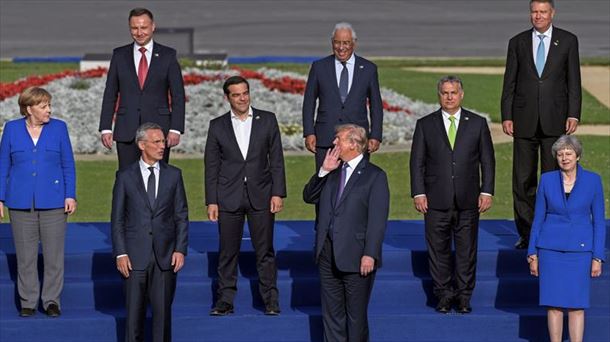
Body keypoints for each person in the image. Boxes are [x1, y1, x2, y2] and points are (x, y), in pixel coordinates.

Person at [410, 76, 495, 314]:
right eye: (445, 93)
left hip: (469, 199)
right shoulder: (425, 124)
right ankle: (444, 295)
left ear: (461, 94)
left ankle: (465, 296)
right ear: (439, 95)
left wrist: (486, 190)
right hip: (435, 200)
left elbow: (487, 161)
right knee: (438, 251)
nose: (449, 97)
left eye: (453, 93)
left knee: (467, 251)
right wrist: (418, 193)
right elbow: (417, 163)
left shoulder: (477, 123)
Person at [501, 0, 581, 249]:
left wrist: (573, 114)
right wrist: (507, 115)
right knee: (523, 180)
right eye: (534, 11)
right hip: (523, 121)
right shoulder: (517, 42)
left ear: (552, 13)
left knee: (553, 179)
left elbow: (573, 81)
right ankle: (526, 233)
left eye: (543, 12)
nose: (538, 16)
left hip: (555, 121)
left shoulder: (568, 41)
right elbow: (509, 83)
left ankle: (551, 230)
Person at [205, 76, 286, 316]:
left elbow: (277, 161)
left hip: (261, 195)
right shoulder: (217, 125)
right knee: (227, 252)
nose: (242, 98)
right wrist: (212, 200)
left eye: (245, 93)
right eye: (237, 94)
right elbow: (211, 166)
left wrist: (278, 193)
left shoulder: (268, 120)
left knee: (265, 251)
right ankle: (225, 301)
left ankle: (270, 300)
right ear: (227, 97)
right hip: (228, 197)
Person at [303, 124, 389, 341]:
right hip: (327, 254)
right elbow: (309, 197)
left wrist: (370, 253)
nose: (333, 143)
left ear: (353, 144)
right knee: (332, 317)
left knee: (356, 317)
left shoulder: (375, 176)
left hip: (357, 255)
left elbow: (377, 220)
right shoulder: (332, 171)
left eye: (338, 139)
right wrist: (323, 171)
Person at [0, 87, 77, 318]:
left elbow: (68, 164)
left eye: (49, 105)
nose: (49, 110)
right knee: (25, 256)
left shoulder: (59, 128)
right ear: (29, 108)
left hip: (53, 200)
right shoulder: (12, 129)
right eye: (44, 106)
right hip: (20, 201)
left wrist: (70, 194)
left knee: (54, 256)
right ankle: (28, 301)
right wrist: (0, 198)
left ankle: (52, 300)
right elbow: (3, 165)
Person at [111, 122, 189, 342]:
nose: (162, 146)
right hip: (134, 257)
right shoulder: (125, 176)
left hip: (165, 257)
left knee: (162, 317)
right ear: (141, 144)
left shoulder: (174, 175)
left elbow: (181, 215)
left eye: (163, 141)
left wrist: (180, 250)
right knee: (134, 317)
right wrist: (121, 253)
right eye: (157, 142)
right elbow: (117, 219)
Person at [527, 135, 605, 342]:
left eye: (568, 153)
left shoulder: (593, 180)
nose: (564, 157)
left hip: (579, 252)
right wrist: (532, 253)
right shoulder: (546, 180)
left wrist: (598, 257)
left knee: (577, 304)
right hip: (550, 250)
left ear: (577, 156)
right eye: (560, 154)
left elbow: (599, 222)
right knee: (553, 304)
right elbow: (538, 219)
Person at [99, 7, 185, 170]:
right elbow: (110, 93)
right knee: (127, 181)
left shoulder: (168, 55)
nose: (139, 32)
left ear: (153, 27)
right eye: (134, 28)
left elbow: (178, 95)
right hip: (127, 130)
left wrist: (175, 128)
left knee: (158, 182)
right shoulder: (119, 55)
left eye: (144, 27)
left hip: (159, 131)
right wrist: (105, 128)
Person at [302, 22, 384, 169]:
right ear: (332, 42)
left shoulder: (368, 69)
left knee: (356, 188)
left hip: (356, 141)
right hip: (326, 138)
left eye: (346, 43)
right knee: (324, 187)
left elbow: (376, 105)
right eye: (337, 42)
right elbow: (309, 102)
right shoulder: (319, 67)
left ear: (354, 43)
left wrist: (376, 135)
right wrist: (309, 132)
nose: (341, 47)